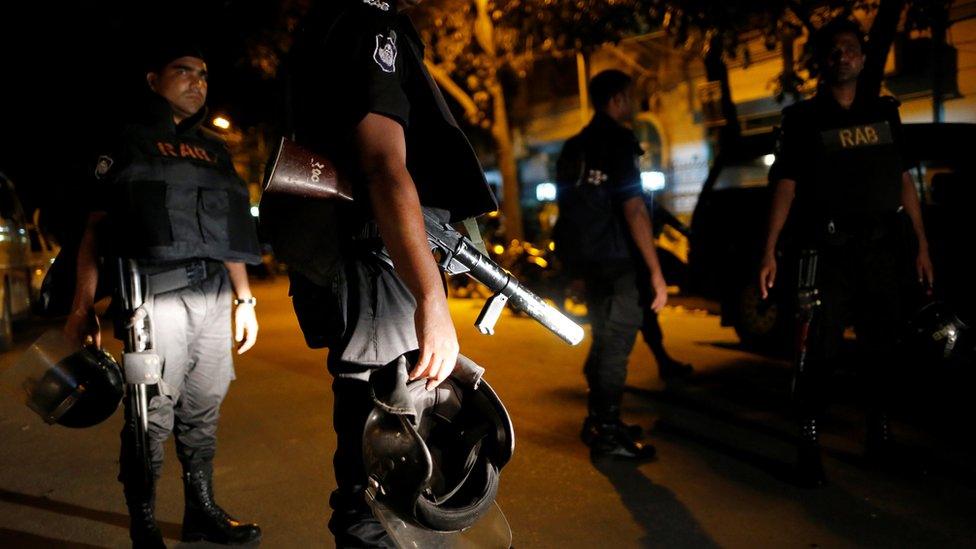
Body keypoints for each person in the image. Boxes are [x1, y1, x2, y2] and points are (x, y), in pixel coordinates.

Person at [263, 0, 498, 545]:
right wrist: (430, 297)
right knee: (389, 470)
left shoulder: (335, 23)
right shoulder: (368, 22)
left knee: (379, 458)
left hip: (367, 267)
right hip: (378, 269)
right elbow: (382, 165)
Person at [64, 44, 263, 547]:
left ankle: (201, 512)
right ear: (153, 79)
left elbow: (227, 233)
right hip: (154, 292)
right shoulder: (126, 140)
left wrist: (245, 301)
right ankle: (145, 523)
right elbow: (94, 231)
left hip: (213, 292)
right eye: (184, 71)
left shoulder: (214, 151)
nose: (198, 82)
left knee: (204, 406)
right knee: (150, 413)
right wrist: (82, 307)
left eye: (204, 74)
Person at [759, 19, 934, 487]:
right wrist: (770, 250)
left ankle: (879, 437)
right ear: (822, 60)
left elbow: (904, 181)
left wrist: (921, 244)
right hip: (826, 251)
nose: (842, 56)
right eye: (833, 50)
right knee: (819, 351)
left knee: (883, 348)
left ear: (862, 56)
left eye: (850, 48)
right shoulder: (802, 120)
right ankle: (809, 442)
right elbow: (786, 186)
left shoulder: (885, 112)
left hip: (880, 251)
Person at [555, 69, 668, 460]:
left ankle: (600, 420)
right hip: (618, 260)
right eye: (630, 97)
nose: (633, 104)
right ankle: (607, 432)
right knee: (616, 343)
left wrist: (573, 269)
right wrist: (655, 271)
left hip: (587, 261)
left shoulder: (574, 146)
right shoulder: (618, 141)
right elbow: (634, 208)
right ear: (617, 99)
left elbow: (566, 210)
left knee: (604, 339)